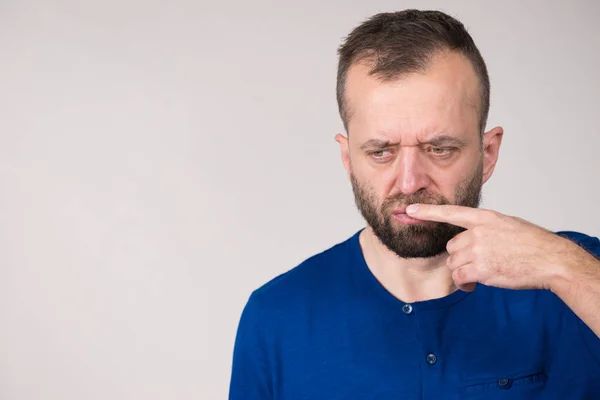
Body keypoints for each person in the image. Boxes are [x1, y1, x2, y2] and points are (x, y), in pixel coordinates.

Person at [228, 9, 600, 399]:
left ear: (487, 153)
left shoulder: (574, 271)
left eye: (439, 149)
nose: (409, 182)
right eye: (380, 152)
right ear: (347, 158)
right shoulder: (276, 317)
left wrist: (564, 268)